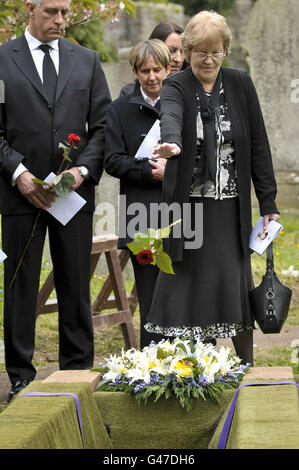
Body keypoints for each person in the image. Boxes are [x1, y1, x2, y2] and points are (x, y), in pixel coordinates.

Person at [144, 11, 280, 365]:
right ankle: (198, 367)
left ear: (225, 51)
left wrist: (269, 203)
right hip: (189, 206)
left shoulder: (240, 83)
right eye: (200, 52)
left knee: (232, 282)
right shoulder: (176, 85)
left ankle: (247, 366)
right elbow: (170, 116)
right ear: (187, 51)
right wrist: (172, 144)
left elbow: (258, 146)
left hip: (230, 204)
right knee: (191, 285)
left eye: (215, 52)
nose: (208, 60)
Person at [0, 0, 111, 401]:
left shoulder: (88, 61)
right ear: (30, 8)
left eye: (64, 12)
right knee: (21, 286)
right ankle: (20, 378)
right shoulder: (1, 60)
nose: (61, 20)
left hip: (72, 195)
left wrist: (79, 172)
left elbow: (102, 128)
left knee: (75, 284)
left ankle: (77, 376)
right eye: (51, 11)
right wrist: (19, 173)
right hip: (20, 195)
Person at [104, 39, 171, 348]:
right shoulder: (118, 110)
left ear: (169, 68)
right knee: (150, 295)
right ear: (134, 72)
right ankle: (152, 366)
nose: (152, 77)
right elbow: (112, 161)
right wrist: (148, 170)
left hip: (183, 212)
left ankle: (197, 364)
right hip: (140, 214)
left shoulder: (181, 105)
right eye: (145, 71)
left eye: (158, 69)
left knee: (184, 291)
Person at [120, 22, 186, 97]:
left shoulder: (192, 91)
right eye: (171, 51)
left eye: (182, 51)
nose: (179, 59)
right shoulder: (129, 94)